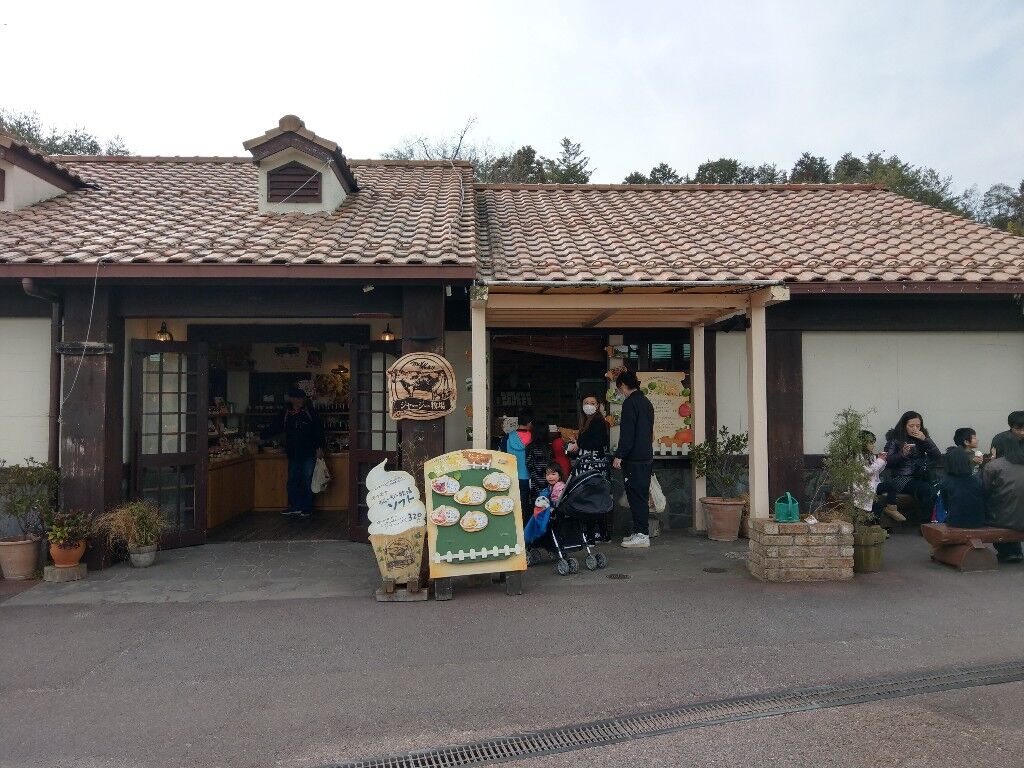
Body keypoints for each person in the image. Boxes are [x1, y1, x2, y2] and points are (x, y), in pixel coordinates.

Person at [612, 370, 655, 549]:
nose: (620, 392)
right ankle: (639, 531)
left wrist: (619, 455)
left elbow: (627, 434)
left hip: (634, 458)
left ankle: (642, 534)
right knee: (641, 496)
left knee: (636, 497)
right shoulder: (646, 402)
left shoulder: (630, 403)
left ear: (623, 385)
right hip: (646, 456)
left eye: (619, 389)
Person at [881, 410, 941, 523]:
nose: (915, 429)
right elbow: (887, 462)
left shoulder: (923, 438)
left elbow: (937, 456)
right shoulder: (895, 439)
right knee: (926, 490)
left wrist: (926, 440)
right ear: (904, 426)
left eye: (918, 426)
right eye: (911, 426)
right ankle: (923, 524)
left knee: (938, 487)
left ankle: (930, 521)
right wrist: (902, 455)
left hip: (921, 475)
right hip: (901, 478)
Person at [569, 393, 611, 541]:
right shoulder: (589, 421)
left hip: (592, 465)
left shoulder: (597, 421)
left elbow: (598, 442)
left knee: (590, 499)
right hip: (591, 464)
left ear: (598, 405)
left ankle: (594, 535)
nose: (589, 405)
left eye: (592, 403)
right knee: (595, 499)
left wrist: (579, 443)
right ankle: (601, 533)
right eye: (586, 402)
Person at [280, 387, 325, 520]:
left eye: (302, 398)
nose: (301, 401)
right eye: (298, 398)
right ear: (292, 399)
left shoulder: (310, 412)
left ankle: (307, 507)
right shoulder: (286, 412)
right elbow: (275, 427)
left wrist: (320, 447)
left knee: (308, 480)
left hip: (309, 452)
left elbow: (319, 431)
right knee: (293, 480)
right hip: (293, 452)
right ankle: (295, 506)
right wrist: (261, 437)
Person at [982, 438, 1024, 562]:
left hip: (1003, 519)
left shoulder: (993, 466)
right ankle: (1015, 551)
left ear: (996, 448)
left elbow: (984, 492)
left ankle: (1008, 552)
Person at [940, 448, 987, 528]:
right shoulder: (977, 481)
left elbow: (945, 506)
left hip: (955, 522)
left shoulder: (945, 481)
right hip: (978, 522)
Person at [506, 409, 534, 515]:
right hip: (527, 476)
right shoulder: (533, 437)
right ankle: (523, 522)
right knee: (524, 503)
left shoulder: (508, 437)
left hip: (511, 475)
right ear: (529, 423)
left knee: (511, 502)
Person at [854, 430, 887, 521]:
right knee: (876, 505)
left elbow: (876, 472)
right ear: (863, 443)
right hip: (863, 487)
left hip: (873, 485)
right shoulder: (857, 457)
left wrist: (882, 460)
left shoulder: (871, 456)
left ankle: (892, 508)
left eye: (873, 443)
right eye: (871, 443)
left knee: (891, 486)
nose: (873, 445)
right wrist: (879, 461)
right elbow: (868, 471)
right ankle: (871, 524)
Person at [526, 422, 553, 503]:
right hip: (548, 481)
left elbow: (528, 464)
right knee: (546, 503)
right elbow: (550, 464)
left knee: (536, 504)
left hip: (535, 482)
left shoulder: (531, 447)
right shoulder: (548, 448)